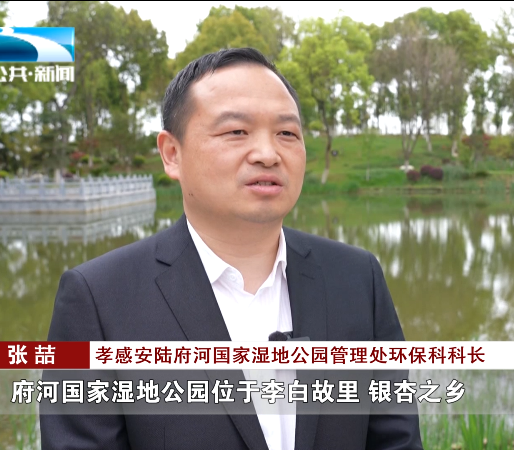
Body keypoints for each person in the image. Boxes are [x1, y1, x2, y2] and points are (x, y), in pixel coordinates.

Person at [39, 47, 423, 450]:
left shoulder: (357, 279)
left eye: (287, 134)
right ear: (172, 153)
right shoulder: (99, 299)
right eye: (236, 132)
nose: (268, 154)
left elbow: (396, 441)